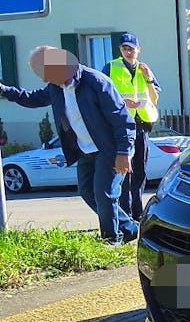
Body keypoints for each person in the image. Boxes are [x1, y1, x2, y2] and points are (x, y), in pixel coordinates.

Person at [0, 46, 138, 243]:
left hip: (109, 150)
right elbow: (32, 98)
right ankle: (130, 229)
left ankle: (112, 239)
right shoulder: (56, 88)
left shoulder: (96, 82)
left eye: (45, 73)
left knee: (105, 194)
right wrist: (5, 91)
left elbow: (122, 120)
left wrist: (123, 152)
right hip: (85, 151)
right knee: (88, 193)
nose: (44, 79)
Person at [102, 32, 160, 220]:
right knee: (124, 171)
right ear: (120, 49)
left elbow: (154, 98)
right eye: (125, 48)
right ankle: (125, 214)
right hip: (120, 126)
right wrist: (121, 101)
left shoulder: (145, 70)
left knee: (140, 170)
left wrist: (149, 79)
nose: (128, 51)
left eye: (131, 48)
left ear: (138, 50)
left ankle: (137, 213)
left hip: (141, 124)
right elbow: (101, 97)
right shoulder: (111, 68)